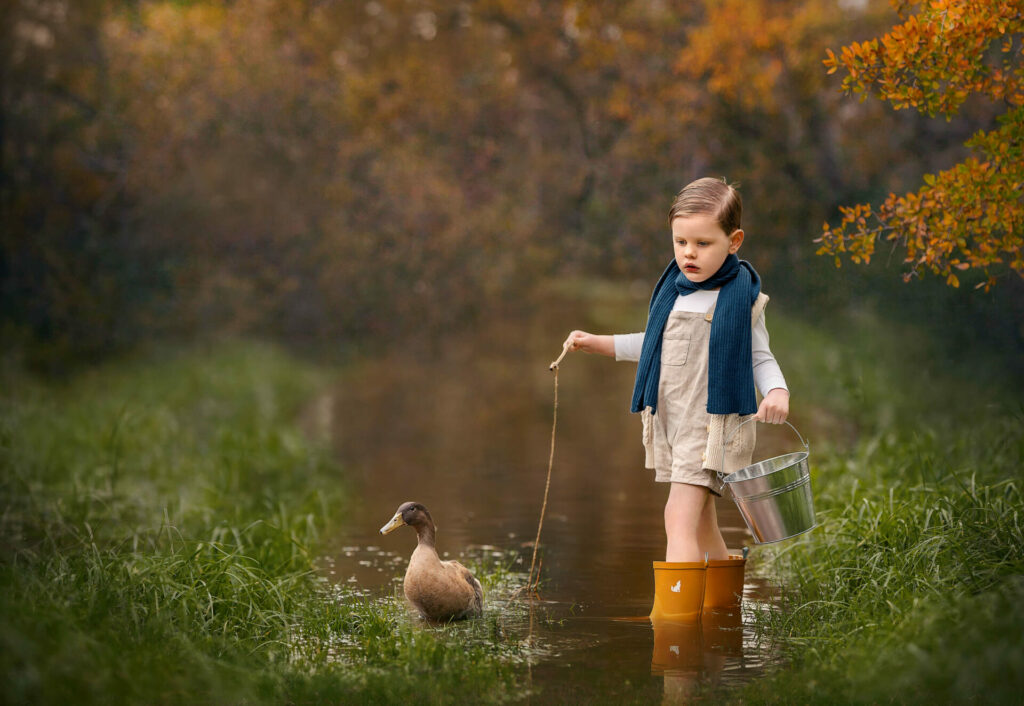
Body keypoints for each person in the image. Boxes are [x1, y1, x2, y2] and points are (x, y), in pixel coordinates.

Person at [562, 177, 789, 619]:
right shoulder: (677, 292)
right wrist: (599, 342)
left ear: (733, 240)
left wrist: (777, 391)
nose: (689, 253)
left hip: (713, 428)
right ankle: (723, 614)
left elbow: (761, 357)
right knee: (702, 524)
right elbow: (654, 345)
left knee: (677, 518)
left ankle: (675, 630)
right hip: (677, 425)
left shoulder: (740, 299)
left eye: (703, 243)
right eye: (680, 241)